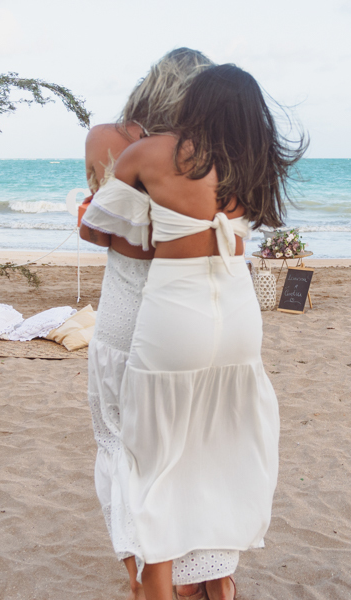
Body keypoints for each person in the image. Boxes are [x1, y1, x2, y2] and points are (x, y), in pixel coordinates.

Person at [87, 63, 305, 600]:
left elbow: (100, 228)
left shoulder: (154, 153)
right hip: (237, 316)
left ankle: (155, 589)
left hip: (175, 314)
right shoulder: (253, 165)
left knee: (148, 458)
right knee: (219, 447)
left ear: (196, 104)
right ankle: (218, 584)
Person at [79, 48, 214, 600]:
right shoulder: (207, 151)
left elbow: (101, 223)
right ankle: (198, 579)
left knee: (119, 444)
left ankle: (140, 578)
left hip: (124, 309)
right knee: (189, 449)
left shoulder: (109, 139)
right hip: (187, 313)